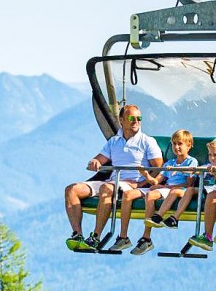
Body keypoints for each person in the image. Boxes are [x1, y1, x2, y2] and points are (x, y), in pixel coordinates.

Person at [63, 104, 163, 251]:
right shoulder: (114, 141)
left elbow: (158, 168)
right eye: (131, 118)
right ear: (122, 120)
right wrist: (95, 162)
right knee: (71, 190)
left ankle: (95, 236)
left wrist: (142, 183)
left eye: (139, 118)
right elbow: (99, 159)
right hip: (113, 181)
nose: (136, 121)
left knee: (106, 187)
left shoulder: (147, 141)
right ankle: (77, 234)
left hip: (132, 183)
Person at [120, 129, 198, 255]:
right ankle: (147, 235)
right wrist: (146, 175)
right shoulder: (170, 163)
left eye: (180, 144)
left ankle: (154, 223)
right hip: (167, 189)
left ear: (188, 146)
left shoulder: (191, 162)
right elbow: (156, 182)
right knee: (150, 194)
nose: (176, 147)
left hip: (180, 190)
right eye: (174, 144)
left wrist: (167, 187)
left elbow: (189, 184)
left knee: (164, 192)